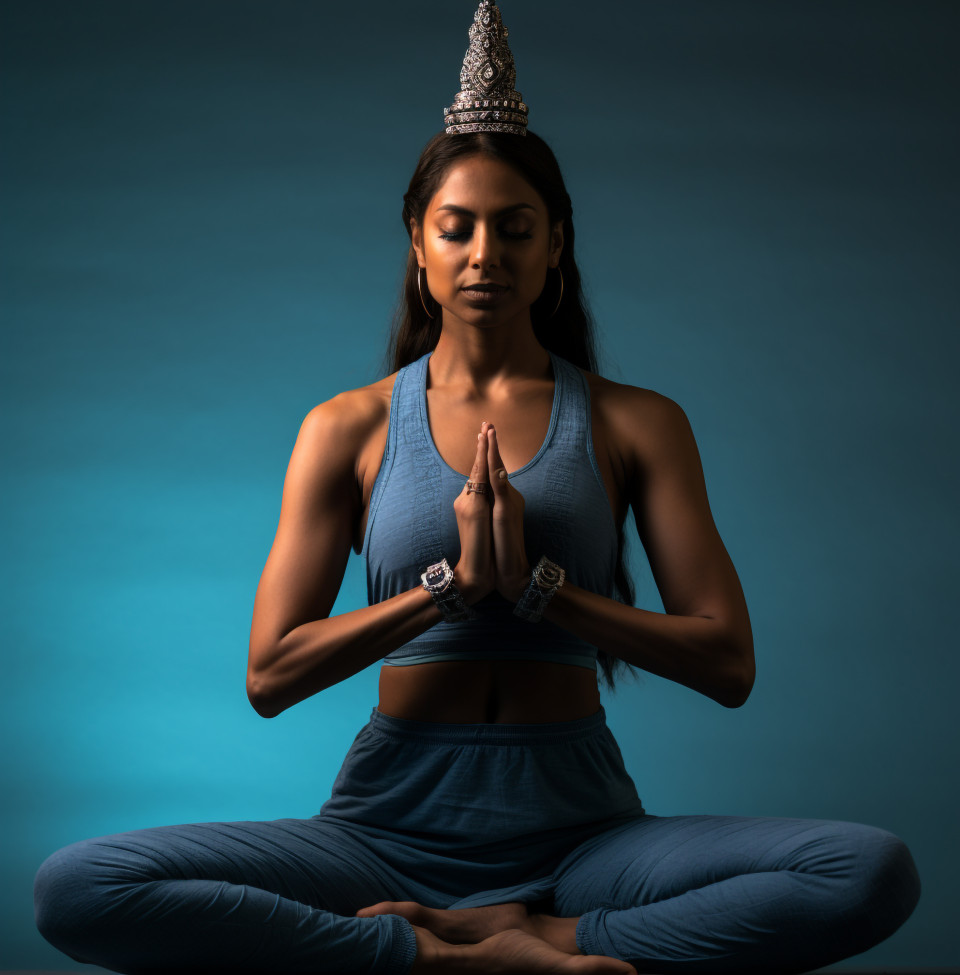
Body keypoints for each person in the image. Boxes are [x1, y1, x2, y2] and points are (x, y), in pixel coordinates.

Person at [34, 3, 920, 973]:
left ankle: (549, 937)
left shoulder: (636, 422)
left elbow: (728, 663)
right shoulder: (349, 427)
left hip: (585, 836)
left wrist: (546, 592)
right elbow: (270, 675)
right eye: (457, 229)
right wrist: (446, 590)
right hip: (383, 828)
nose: (485, 255)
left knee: (867, 870)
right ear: (418, 244)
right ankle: (434, 956)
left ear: (555, 246)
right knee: (81, 886)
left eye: (515, 229)